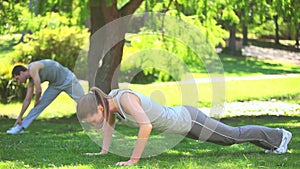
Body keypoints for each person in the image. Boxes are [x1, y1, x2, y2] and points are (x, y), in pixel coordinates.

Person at [76, 87, 293, 166]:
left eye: (92, 119)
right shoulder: (112, 103)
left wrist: (133, 160)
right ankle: (275, 141)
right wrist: (103, 150)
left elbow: (146, 126)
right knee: (229, 139)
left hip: (188, 119)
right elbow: (110, 124)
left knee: (231, 137)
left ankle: (280, 136)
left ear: (100, 109)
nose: (95, 125)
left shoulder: (123, 99)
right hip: (182, 127)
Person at [6, 59, 85, 134]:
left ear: (21, 72)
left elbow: (39, 90)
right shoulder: (30, 83)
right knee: (38, 107)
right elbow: (27, 100)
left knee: (84, 101)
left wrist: (37, 101)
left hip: (68, 80)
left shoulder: (33, 67)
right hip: (55, 85)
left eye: (17, 78)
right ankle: (20, 127)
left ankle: (97, 115)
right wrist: (19, 117)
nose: (18, 81)